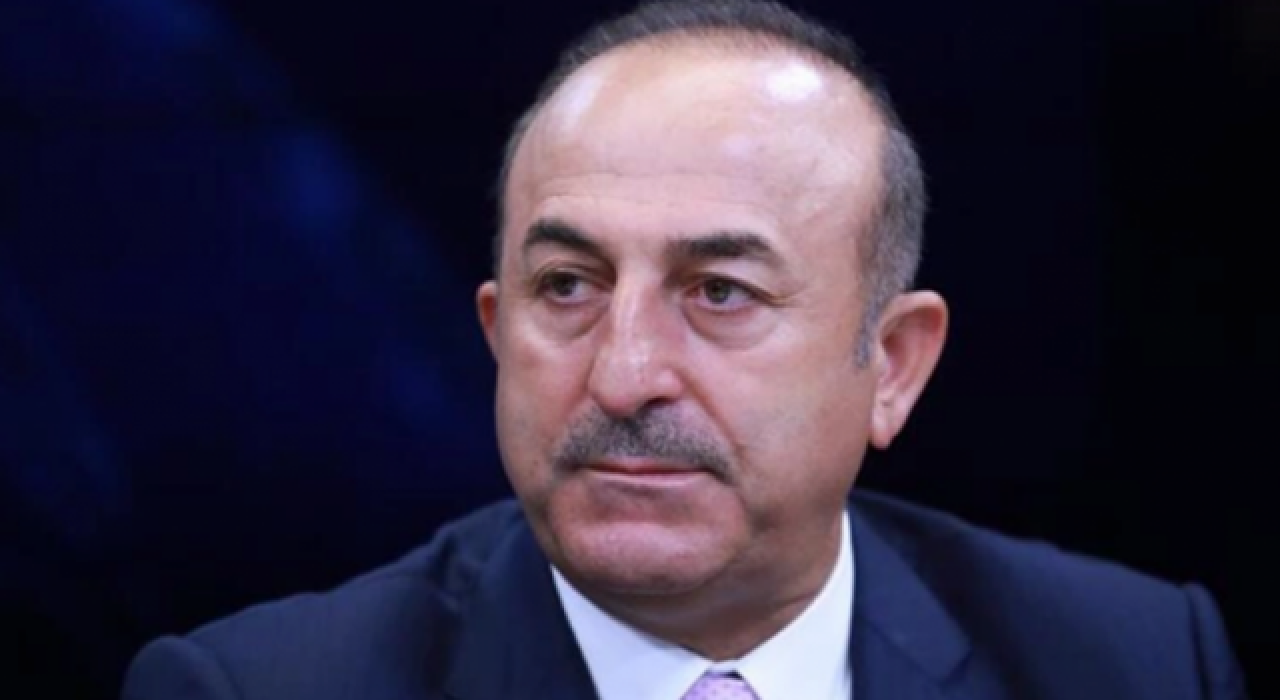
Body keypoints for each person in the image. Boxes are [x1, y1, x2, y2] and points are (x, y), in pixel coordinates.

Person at [122, 1, 1249, 698]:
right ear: (495, 332)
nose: (621, 376)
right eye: (567, 287)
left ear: (893, 365)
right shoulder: (253, 688)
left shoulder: (1137, 662)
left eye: (718, 293)